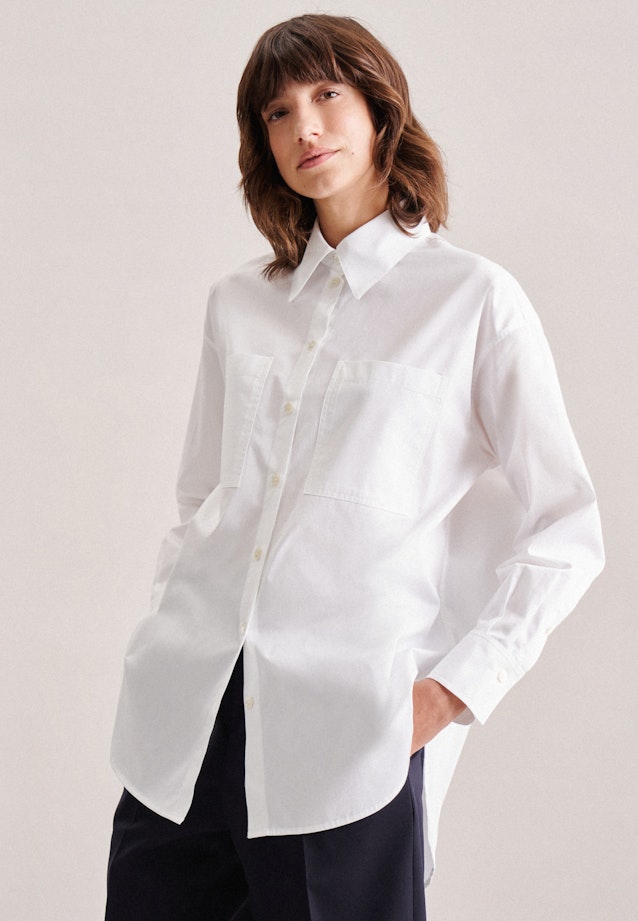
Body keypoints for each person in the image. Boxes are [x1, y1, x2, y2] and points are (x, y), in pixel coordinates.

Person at [105, 13, 604, 921]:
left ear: (381, 110)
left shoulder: (472, 301)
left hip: (343, 739)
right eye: (277, 112)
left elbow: (568, 529)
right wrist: (163, 627)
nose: (305, 126)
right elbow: (201, 498)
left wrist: (450, 692)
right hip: (185, 727)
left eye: (327, 94)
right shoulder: (238, 304)